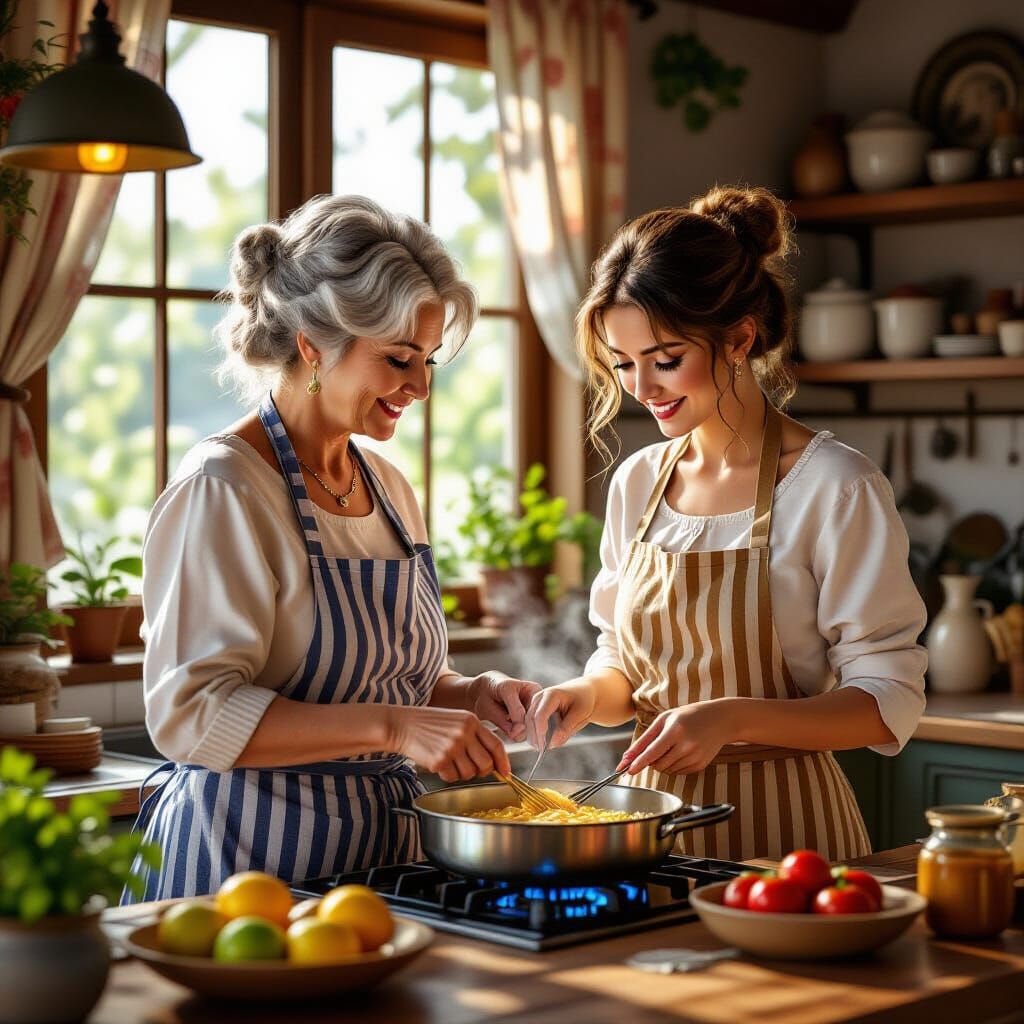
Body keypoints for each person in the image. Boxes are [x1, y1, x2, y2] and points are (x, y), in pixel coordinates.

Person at [125, 194, 537, 901]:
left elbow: (391, 684)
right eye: (400, 358)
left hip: (379, 868)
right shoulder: (225, 489)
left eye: (429, 361)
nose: (420, 387)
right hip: (242, 873)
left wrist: (471, 697)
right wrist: (398, 728)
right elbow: (191, 716)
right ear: (314, 345)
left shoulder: (390, 490)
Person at [526, 186, 927, 860]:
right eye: (623, 364)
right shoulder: (639, 483)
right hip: (647, 835)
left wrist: (733, 717)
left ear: (739, 338)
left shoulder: (834, 485)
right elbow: (625, 667)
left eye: (665, 358)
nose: (642, 388)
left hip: (790, 841)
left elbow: (886, 696)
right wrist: (585, 694)